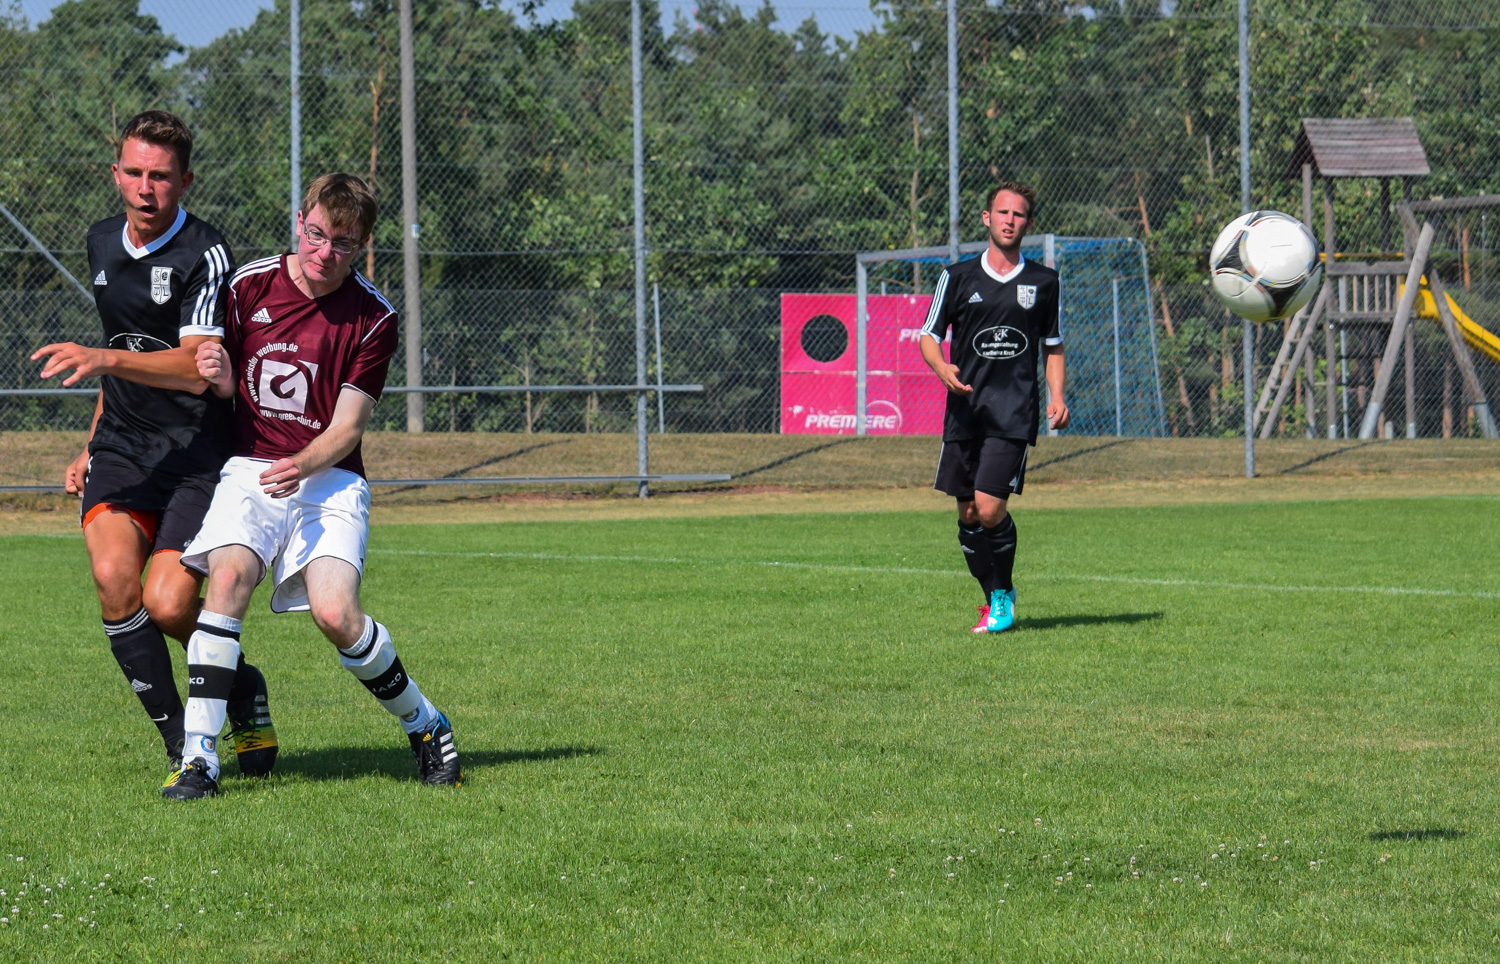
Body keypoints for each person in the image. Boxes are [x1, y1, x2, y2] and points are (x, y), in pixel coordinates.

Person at [163, 172, 460, 800]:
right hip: (251, 470)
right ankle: (199, 760)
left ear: (362, 245)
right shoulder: (246, 286)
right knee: (228, 580)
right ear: (301, 221)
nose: (325, 252)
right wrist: (218, 373)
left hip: (330, 479)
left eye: (343, 243)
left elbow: (348, 426)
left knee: (335, 614)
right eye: (318, 235)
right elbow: (225, 384)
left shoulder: (374, 317)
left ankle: (426, 724)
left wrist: (302, 462)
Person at [31, 110, 278, 778]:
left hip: (196, 452)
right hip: (121, 445)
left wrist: (104, 360)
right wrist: (91, 442)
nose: (146, 188)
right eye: (135, 173)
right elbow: (119, 349)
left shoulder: (206, 252)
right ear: (116, 174)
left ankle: (243, 685)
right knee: (115, 580)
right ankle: (181, 746)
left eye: (162, 176)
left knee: (168, 604)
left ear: (185, 181)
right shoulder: (100, 241)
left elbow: (197, 368)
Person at [919, 181, 1070, 634]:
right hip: (965, 411)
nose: (1009, 220)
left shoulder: (1044, 282)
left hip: (1013, 413)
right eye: (1002, 212)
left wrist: (1058, 396)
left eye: (1018, 214)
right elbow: (928, 335)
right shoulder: (957, 277)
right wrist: (942, 368)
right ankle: (992, 598)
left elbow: (1053, 345)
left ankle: (1002, 595)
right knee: (967, 515)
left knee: (988, 509)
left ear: (1028, 223)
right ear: (987, 218)